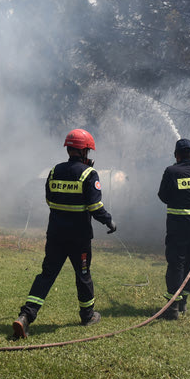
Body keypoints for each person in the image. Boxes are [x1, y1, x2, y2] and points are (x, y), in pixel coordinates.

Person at [12, 129, 117, 339]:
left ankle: (25, 316)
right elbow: (95, 206)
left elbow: (50, 200)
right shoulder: (89, 174)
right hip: (79, 239)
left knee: (46, 276)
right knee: (83, 275)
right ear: (85, 151)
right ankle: (87, 315)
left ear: (69, 149)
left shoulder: (54, 171)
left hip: (55, 236)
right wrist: (109, 221)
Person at [157, 138, 190, 319]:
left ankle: (172, 308)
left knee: (176, 262)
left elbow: (163, 196)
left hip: (178, 226)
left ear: (176, 155)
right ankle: (183, 303)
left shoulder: (171, 171)